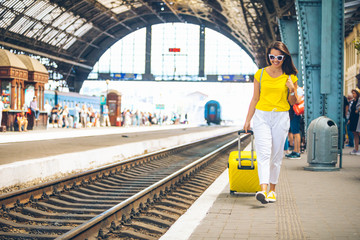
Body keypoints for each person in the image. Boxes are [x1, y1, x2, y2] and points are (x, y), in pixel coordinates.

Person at [243, 41, 298, 204]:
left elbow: (293, 102)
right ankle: (263, 190)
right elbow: (255, 98)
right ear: (269, 56)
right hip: (261, 117)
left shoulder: (291, 77)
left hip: (281, 117)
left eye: (279, 57)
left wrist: (291, 89)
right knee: (263, 154)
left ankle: (273, 191)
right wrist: (247, 120)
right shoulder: (259, 74)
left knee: (275, 156)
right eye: (272, 56)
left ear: (284, 57)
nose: (275, 60)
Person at [285, 87, 304, 159]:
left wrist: (291, 99)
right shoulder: (295, 89)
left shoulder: (298, 90)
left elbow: (298, 100)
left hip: (295, 113)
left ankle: (297, 152)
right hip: (293, 113)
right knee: (294, 132)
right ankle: (295, 150)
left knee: (296, 132)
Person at [348, 89, 359, 155]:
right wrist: (349, 119)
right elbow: (350, 111)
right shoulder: (352, 101)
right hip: (353, 119)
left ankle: (358, 149)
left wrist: (358, 110)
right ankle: (356, 148)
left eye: (354, 93)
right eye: (352, 93)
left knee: (358, 133)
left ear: (357, 94)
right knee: (354, 133)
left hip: (358, 118)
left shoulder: (359, 100)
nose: (353, 94)